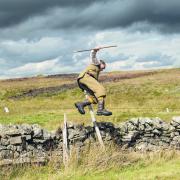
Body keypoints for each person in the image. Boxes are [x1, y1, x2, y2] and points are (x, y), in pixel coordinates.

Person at [75, 47, 112, 116]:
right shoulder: (96, 64)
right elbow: (93, 56)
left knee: (94, 99)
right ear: (101, 63)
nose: (103, 69)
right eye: (104, 66)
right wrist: (94, 51)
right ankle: (101, 109)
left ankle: (81, 104)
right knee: (100, 89)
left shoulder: (97, 72)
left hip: (82, 81)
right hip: (86, 77)